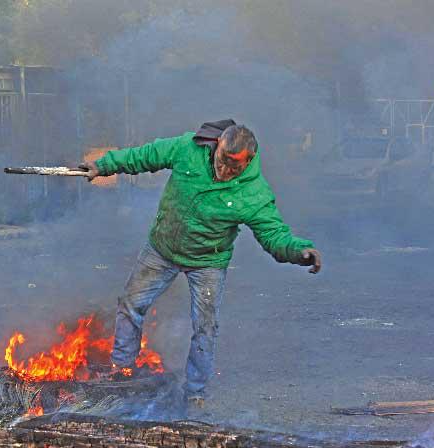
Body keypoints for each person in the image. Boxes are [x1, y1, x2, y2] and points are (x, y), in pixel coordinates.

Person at [80, 120, 321, 412]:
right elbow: (145, 155)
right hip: (162, 248)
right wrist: (103, 165)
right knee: (131, 305)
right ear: (216, 146)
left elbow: (275, 235)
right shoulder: (187, 148)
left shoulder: (254, 193)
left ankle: (195, 393)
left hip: (207, 262)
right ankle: (122, 372)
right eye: (222, 161)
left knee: (205, 327)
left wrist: (299, 251)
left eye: (234, 167)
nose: (225, 171)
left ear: (248, 161)